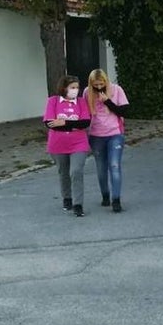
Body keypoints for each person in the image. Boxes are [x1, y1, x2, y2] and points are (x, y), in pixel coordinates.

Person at [44, 75, 91, 216]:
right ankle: (67, 197)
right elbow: (50, 123)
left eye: (77, 87)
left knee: (76, 171)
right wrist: (73, 125)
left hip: (78, 143)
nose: (75, 90)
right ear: (64, 88)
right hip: (58, 144)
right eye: (72, 87)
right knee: (63, 172)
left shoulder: (81, 102)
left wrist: (65, 123)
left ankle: (78, 204)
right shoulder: (53, 101)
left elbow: (84, 123)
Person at [85, 69, 129, 213]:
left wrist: (108, 102)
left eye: (101, 83)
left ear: (106, 81)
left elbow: (124, 111)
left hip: (115, 133)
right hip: (96, 134)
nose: (98, 87)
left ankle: (116, 199)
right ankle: (105, 194)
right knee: (101, 168)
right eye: (95, 84)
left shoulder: (116, 90)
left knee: (114, 165)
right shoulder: (87, 92)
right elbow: (84, 114)